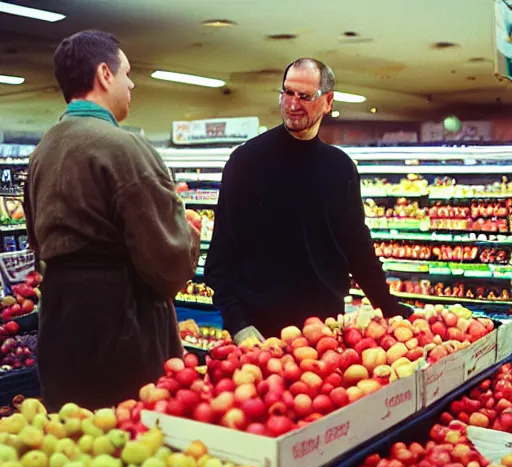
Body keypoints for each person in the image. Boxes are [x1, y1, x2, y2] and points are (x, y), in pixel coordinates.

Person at [23, 30, 199, 411]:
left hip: (59, 325)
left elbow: (37, 241)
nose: (131, 83)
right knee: (131, 442)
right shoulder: (123, 146)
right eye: (127, 73)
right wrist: (188, 235)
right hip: (123, 331)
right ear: (104, 74)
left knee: (71, 441)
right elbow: (167, 264)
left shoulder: (42, 151)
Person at [204, 57, 412, 343]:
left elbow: (358, 250)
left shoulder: (341, 168)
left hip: (327, 329)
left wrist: (392, 311)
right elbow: (220, 256)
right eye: (287, 92)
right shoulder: (247, 161)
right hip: (260, 332)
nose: (292, 104)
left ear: (328, 101)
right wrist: (237, 324)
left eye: (305, 96)